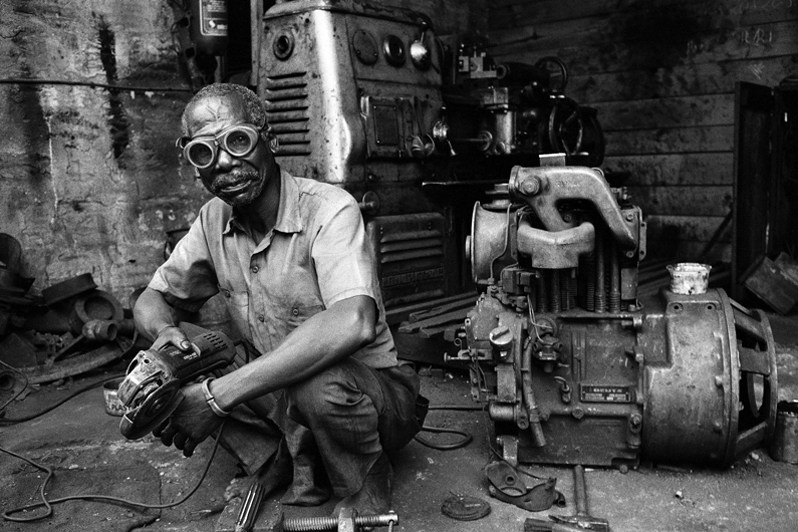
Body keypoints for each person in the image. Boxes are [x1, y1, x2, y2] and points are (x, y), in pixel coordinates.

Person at [133, 83, 423, 516]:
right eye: (204, 152)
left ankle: (368, 476)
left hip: (372, 400)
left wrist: (215, 397)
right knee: (172, 357)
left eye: (237, 141)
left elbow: (355, 321)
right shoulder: (213, 218)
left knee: (316, 383)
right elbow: (151, 298)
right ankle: (276, 458)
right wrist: (164, 333)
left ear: (270, 140)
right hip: (285, 396)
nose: (224, 162)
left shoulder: (329, 209)